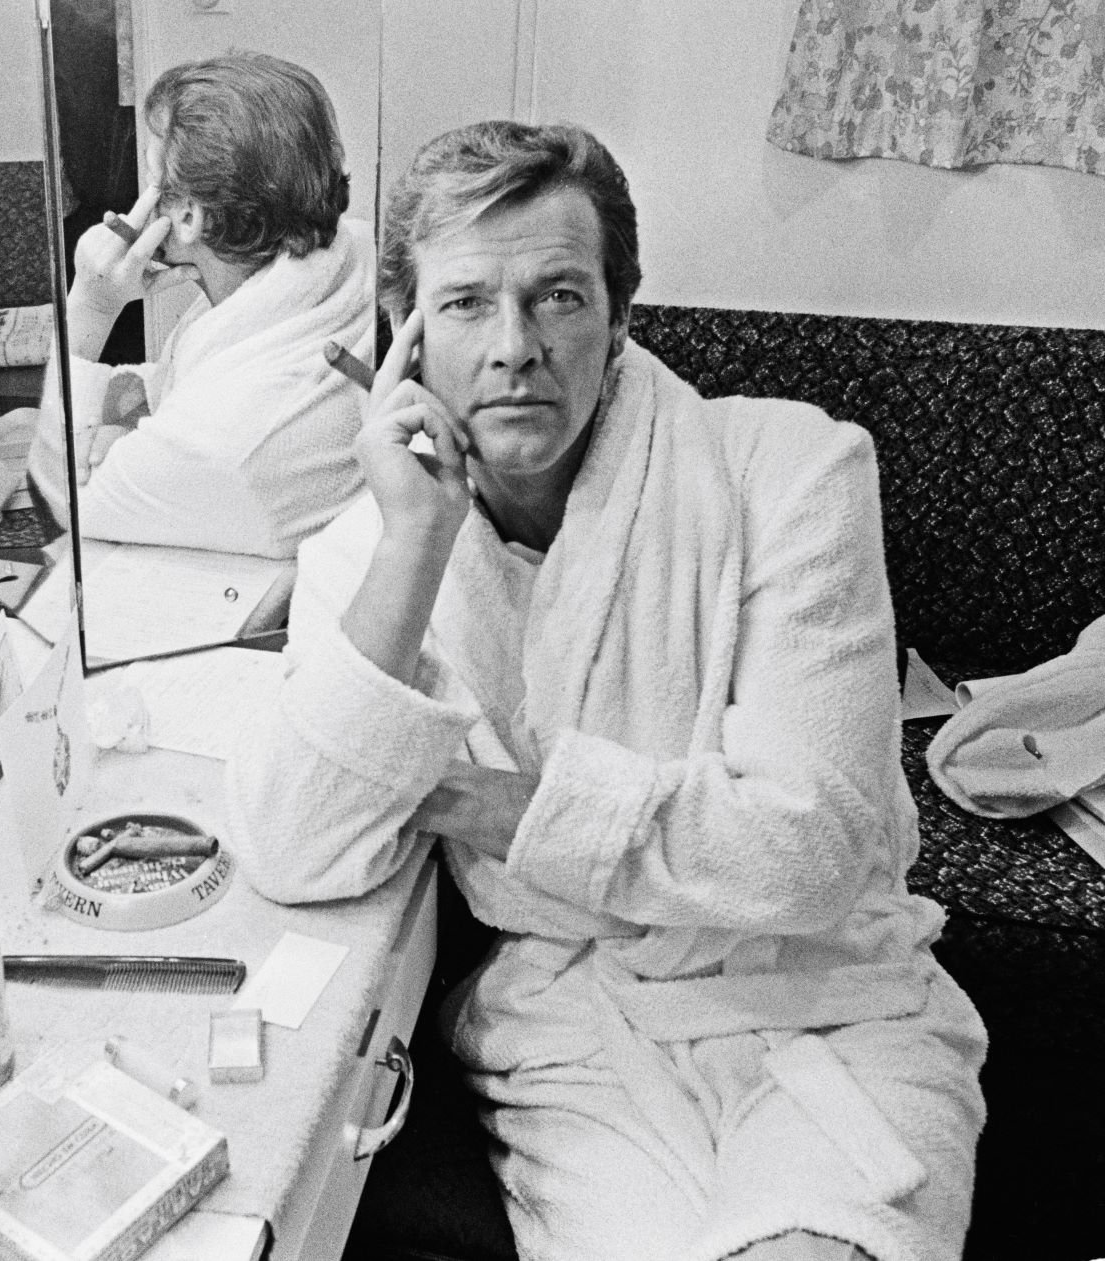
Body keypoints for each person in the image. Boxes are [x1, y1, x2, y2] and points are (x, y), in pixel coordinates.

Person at [226, 121, 985, 1261]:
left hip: (830, 1000)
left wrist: (508, 807)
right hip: (578, 1033)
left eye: (561, 297)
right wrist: (416, 542)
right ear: (407, 335)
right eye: (469, 303)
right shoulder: (373, 556)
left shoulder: (792, 470)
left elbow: (816, 845)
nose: (516, 346)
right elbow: (293, 842)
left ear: (621, 319)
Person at [31, 51, 374, 559]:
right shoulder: (350, 250)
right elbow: (191, 377)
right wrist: (126, 409)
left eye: (148, 175)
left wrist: (91, 307)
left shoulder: (220, 439)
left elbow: (61, 503)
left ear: (187, 216)